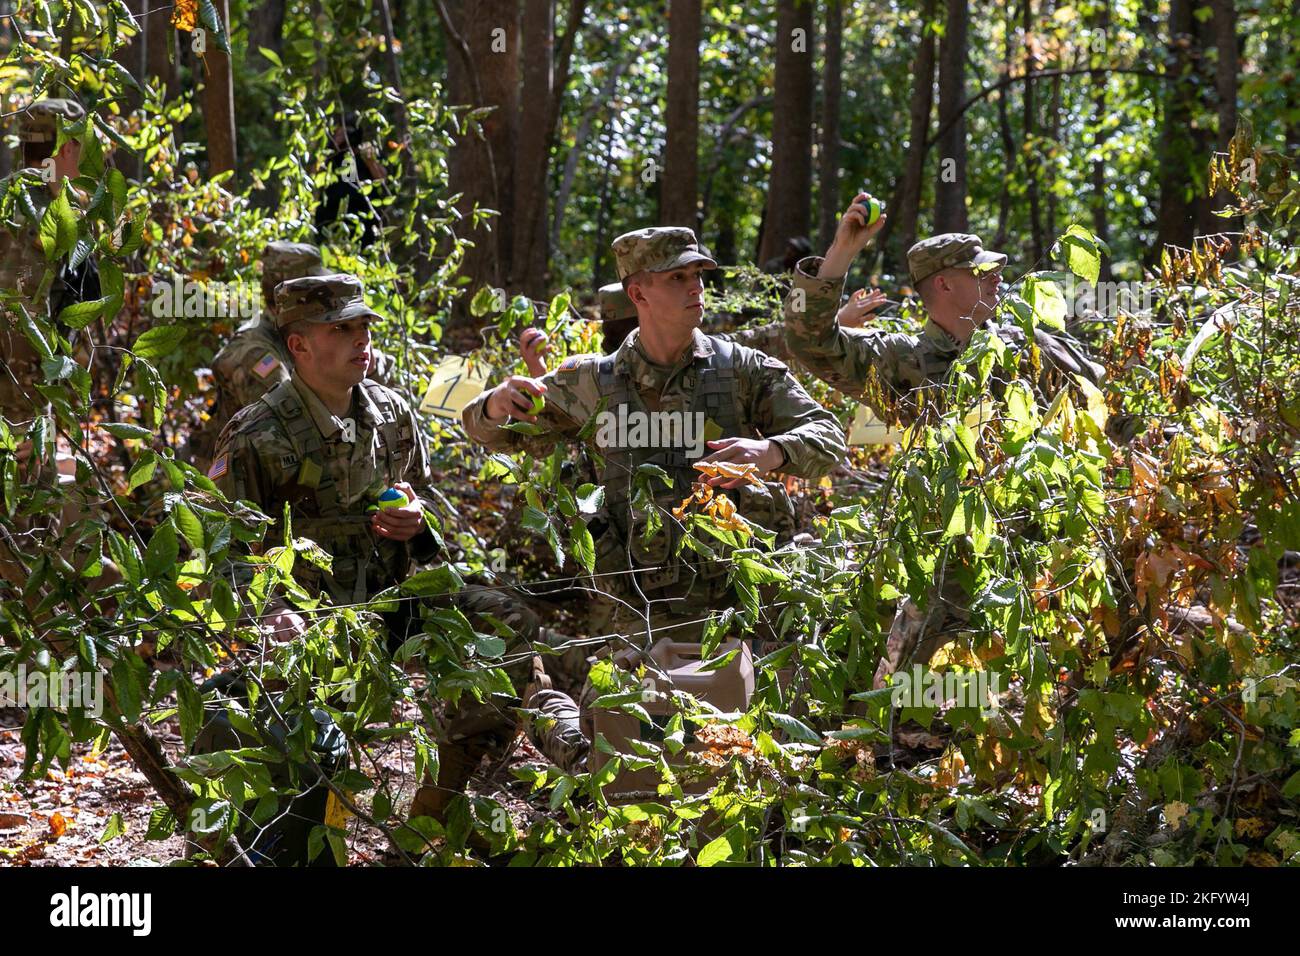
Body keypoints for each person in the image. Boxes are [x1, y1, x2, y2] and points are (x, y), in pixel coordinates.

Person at [461, 227, 847, 770]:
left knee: (761, 762)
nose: (696, 289)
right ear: (638, 293)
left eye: (697, 276)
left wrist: (772, 452)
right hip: (638, 613)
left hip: (739, 610)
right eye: (677, 278)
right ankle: (546, 704)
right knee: (619, 768)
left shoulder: (742, 371)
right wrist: (498, 403)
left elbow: (828, 438)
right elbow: (486, 429)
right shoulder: (591, 383)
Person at [207, 273, 583, 829]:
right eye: (342, 328)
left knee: (504, 626)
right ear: (300, 345)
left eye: (364, 326)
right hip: (311, 620)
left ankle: (431, 820)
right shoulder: (256, 435)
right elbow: (225, 549)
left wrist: (416, 522)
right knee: (267, 727)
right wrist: (269, 611)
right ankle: (265, 834)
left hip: (396, 603)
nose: (361, 339)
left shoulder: (392, 415)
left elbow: (426, 514)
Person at [785, 194, 1104, 427]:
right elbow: (810, 343)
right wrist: (842, 251)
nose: (997, 276)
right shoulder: (900, 360)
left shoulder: (1032, 349)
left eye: (995, 268)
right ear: (944, 285)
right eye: (981, 270)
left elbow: (1106, 411)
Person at [197, 241, 393, 469]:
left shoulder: (296, 332)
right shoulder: (253, 353)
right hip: (237, 478)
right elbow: (296, 419)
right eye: (318, 296)